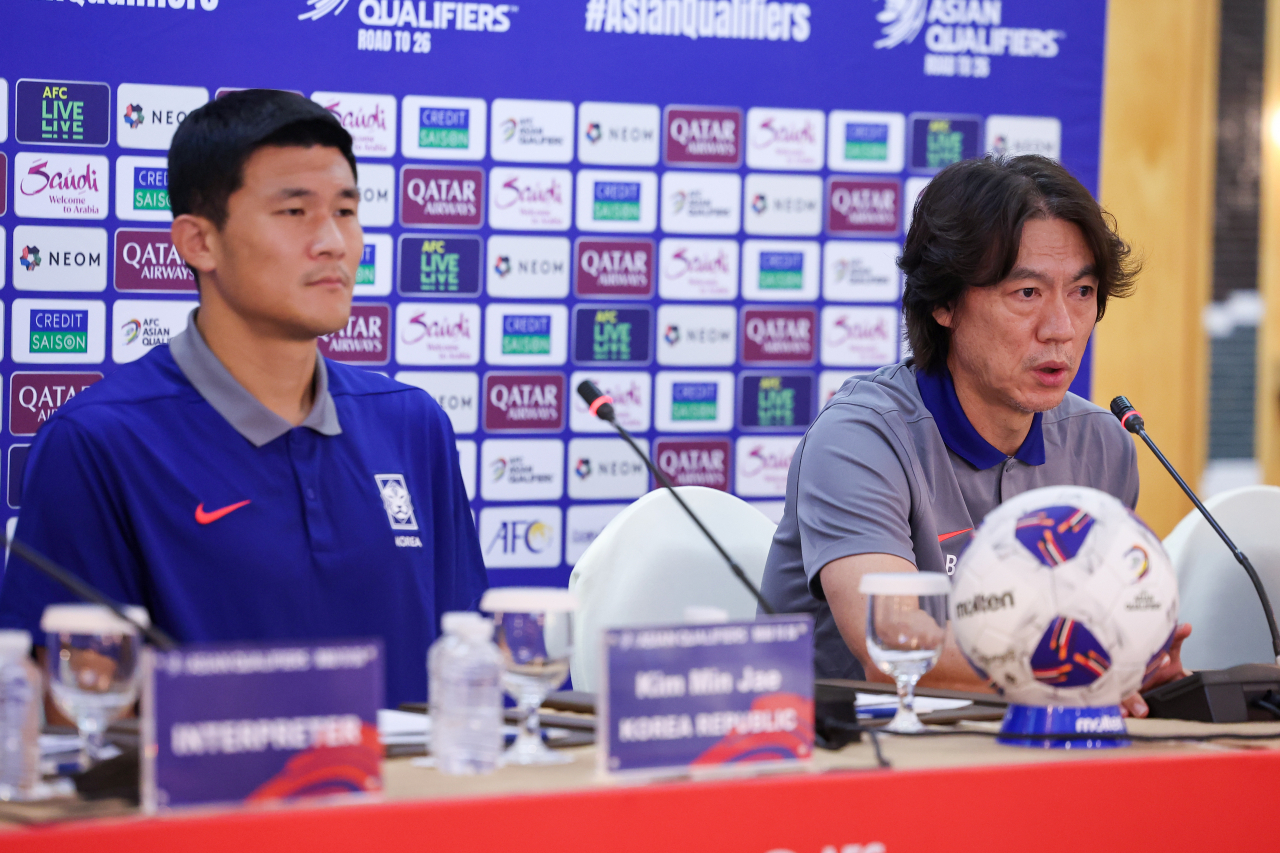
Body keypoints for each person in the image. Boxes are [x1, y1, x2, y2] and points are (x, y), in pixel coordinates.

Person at [0, 90, 486, 708]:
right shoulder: (100, 440)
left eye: (345, 210)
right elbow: (68, 705)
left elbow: (469, 651)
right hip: (210, 805)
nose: (333, 242)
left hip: (410, 803)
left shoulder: (412, 422)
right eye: (294, 212)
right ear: (199, 241)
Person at [759, 154, 1190, 716]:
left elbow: (1103, 628)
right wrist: (1077, 677)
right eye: (1027, 294)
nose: (1061, 328)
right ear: (944, 303)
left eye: (1082, 292)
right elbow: (891, 643)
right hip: (856, 766)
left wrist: (1138, 665)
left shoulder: (1101, 444)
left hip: (1029, 757)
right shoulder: (860, 439)